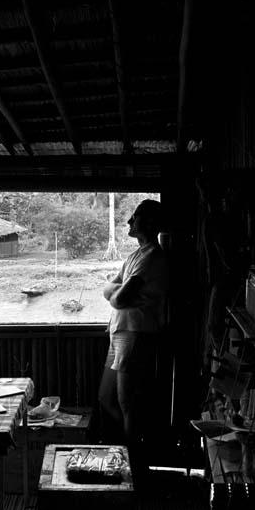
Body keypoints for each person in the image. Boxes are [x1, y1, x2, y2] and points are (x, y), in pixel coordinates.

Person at [98, 199, 169, 478]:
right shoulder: (136, 255)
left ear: (149, 224)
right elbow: (110, 289)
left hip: (136, 333)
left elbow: (118, 298)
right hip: (120, 332)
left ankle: (134, 470)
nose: (129, 221)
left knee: (129, 405)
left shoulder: (153, 258)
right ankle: (127, 456)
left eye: (135, 217)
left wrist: (116, 294)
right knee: (107, 399)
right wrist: (115, 293)